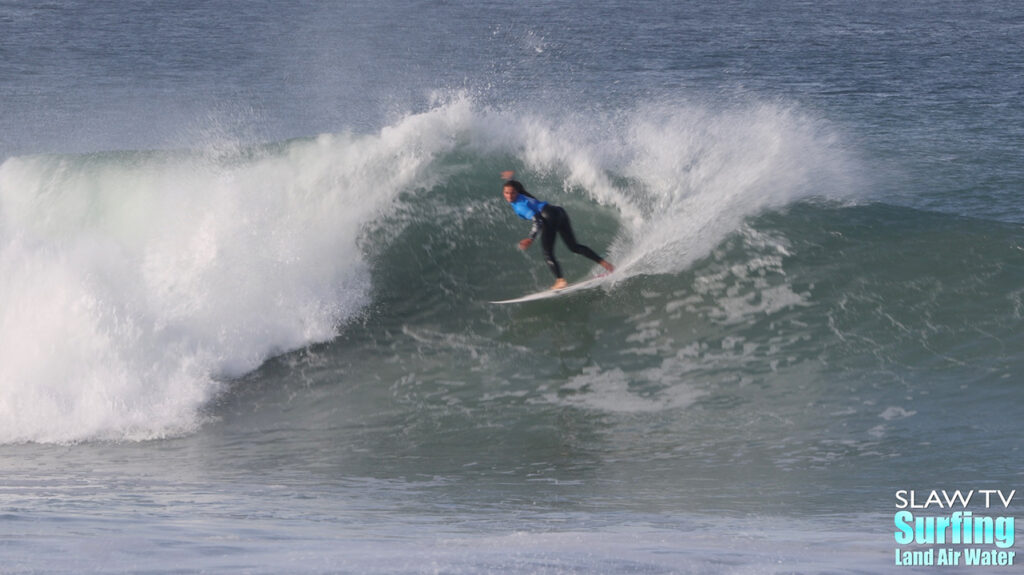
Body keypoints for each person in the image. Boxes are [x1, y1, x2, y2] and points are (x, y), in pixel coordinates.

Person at [501, 171, 614, 290]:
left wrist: (531, 238)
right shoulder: (521, 193)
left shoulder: (520, 206)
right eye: (506, 193)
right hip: (559, 212)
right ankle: (607, 265)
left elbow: (538, 220)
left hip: (548, 218)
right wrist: (511, 178)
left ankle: (560, 281)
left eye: (512, 193)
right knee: (574, 247)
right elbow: (516, 186)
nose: (509, 196)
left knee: (547, 253)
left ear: (516, 192)